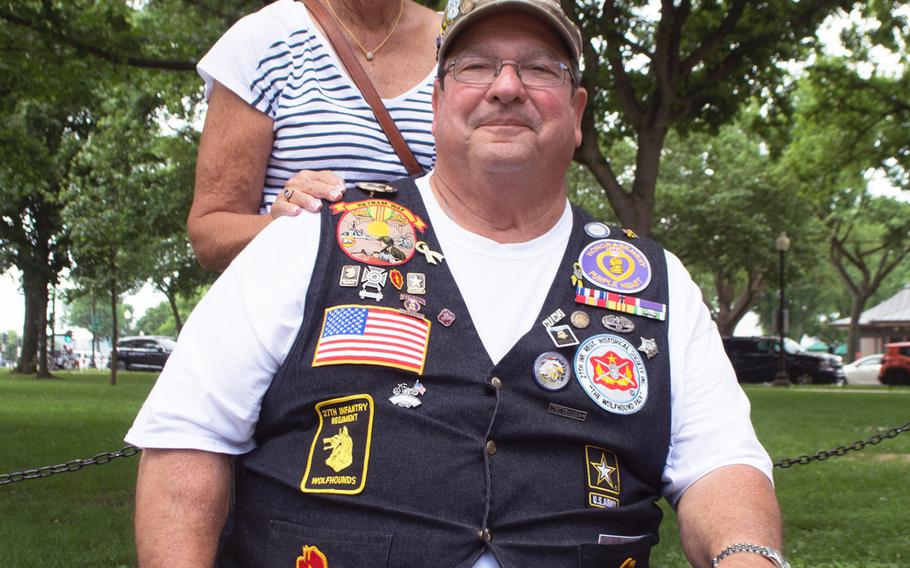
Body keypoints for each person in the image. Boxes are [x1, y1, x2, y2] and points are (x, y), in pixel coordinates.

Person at [128, 1, 788, 566]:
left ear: (577, 110)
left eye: (538, 68)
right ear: (438, 100)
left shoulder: (652, 281)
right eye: (475, 66)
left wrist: (745, 554)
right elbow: (189, 438)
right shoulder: (308, 242)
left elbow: (719, 463)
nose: (506, 86)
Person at [188, 0, 441, 271]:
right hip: (300, 305)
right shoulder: (265, 39)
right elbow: (209, 235)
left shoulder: (461, 37)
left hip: (437, 305)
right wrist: (286, 221)